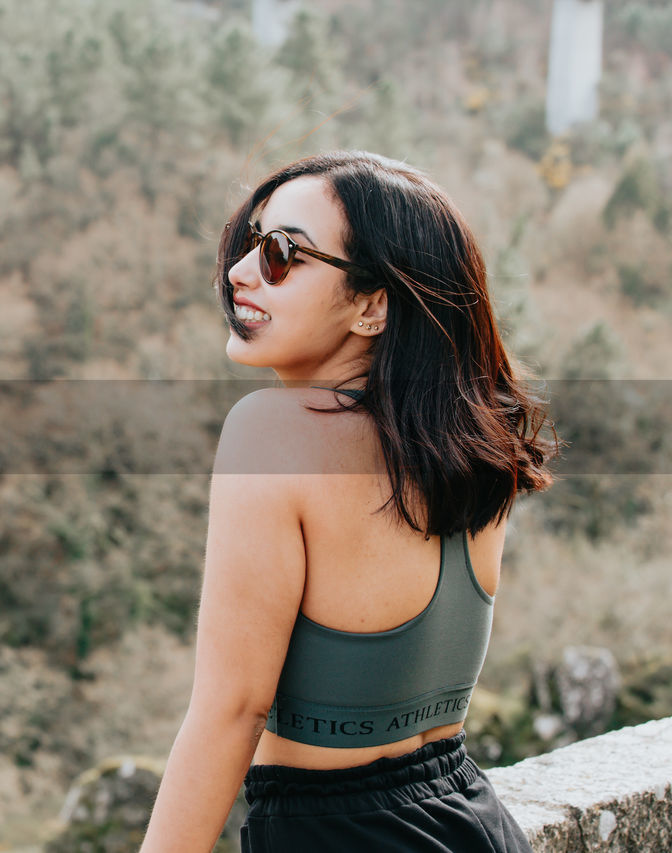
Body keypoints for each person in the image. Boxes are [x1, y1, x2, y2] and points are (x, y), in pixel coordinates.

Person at [138, 151, 557, 853]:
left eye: (281, 254)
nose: (241, 272)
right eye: (249, 243)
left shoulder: (272, 433)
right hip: (473, 820)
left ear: (372, 305)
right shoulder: (471, 444)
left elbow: (232, 710)